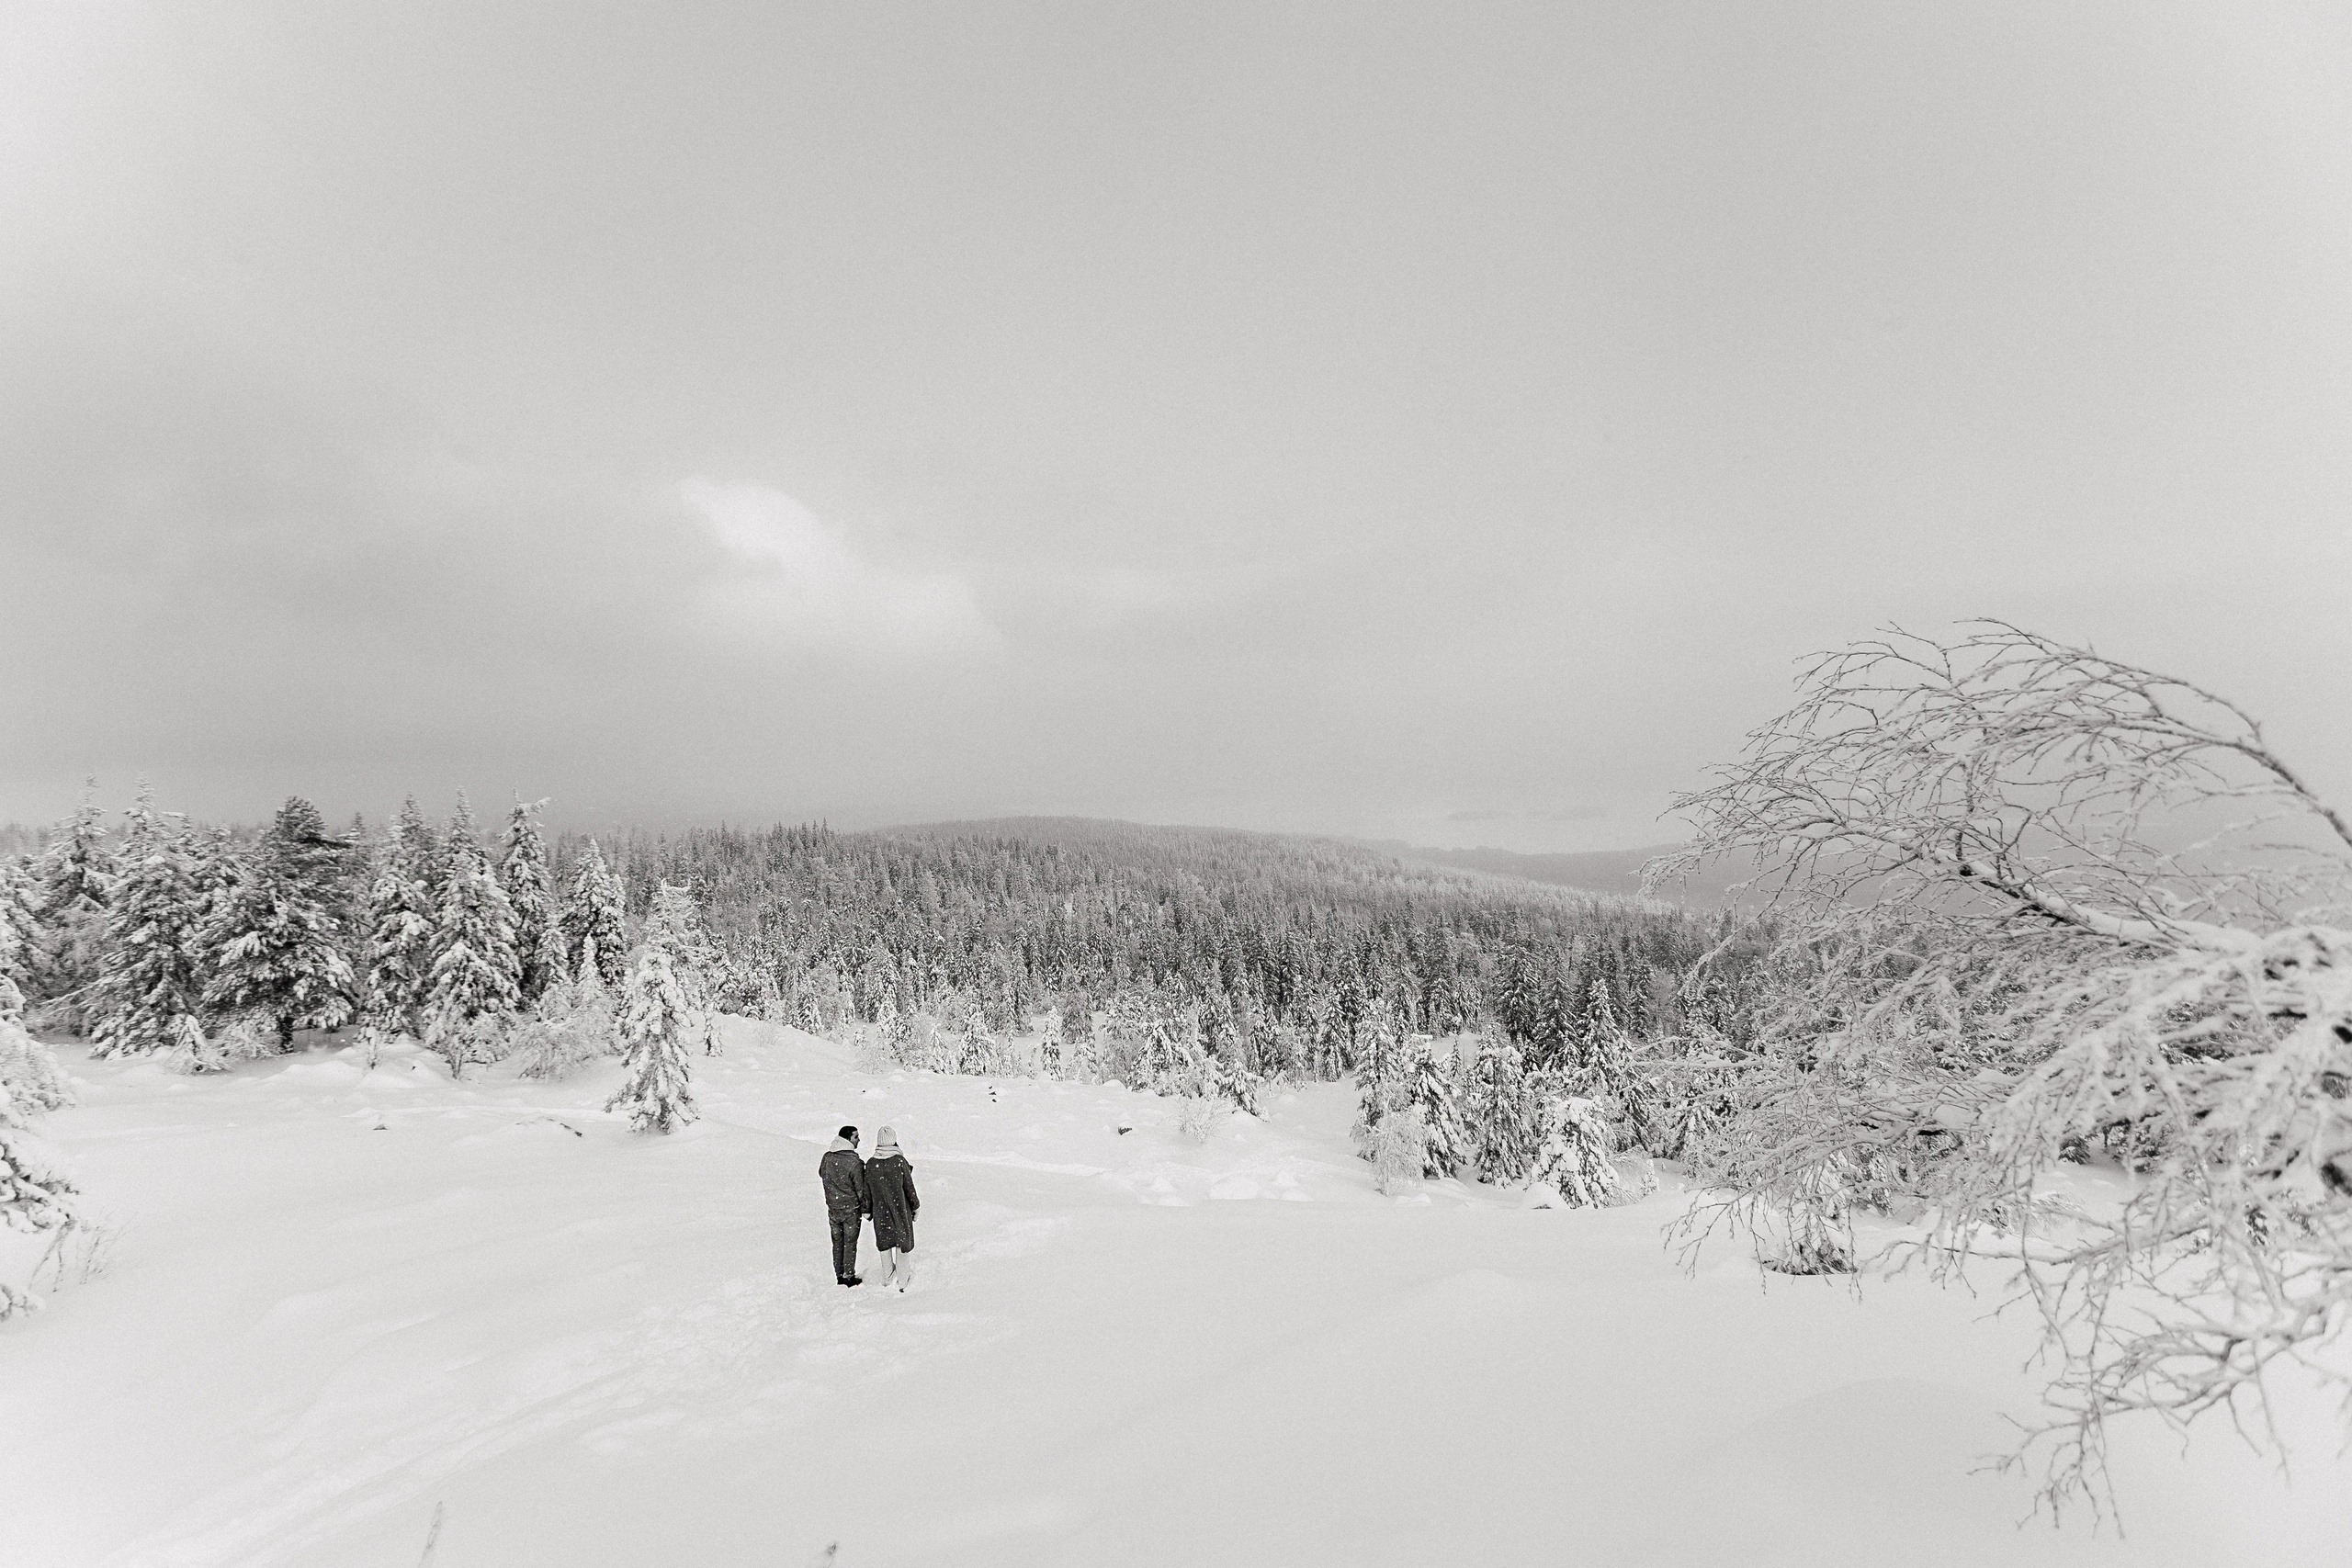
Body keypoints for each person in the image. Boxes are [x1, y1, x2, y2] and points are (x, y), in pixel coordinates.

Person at [865, 1125, 920, 1293]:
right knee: (901, 1244)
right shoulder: (899, 1161)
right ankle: (902, 1281)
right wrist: (915, 1206)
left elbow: (867, 1190)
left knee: (884, 1243)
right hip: (900, 1209)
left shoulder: (871, 1164)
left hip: (880, 1211)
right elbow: (909, 1187)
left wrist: (867, 1209)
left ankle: (888, 1277)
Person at [819, 1124, 870, 1287]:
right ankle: (848, 1276)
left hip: (833, 1208)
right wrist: (866, 1209)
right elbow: (861, 1189)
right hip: (850, 1209)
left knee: (837, 1242)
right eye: (856, 1137)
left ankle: (839, 1274)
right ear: (848, 1139)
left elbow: (822, 1173)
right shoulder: (854, 1162)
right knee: (850, 1243)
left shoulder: (827, 1157)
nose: (859, 1139)